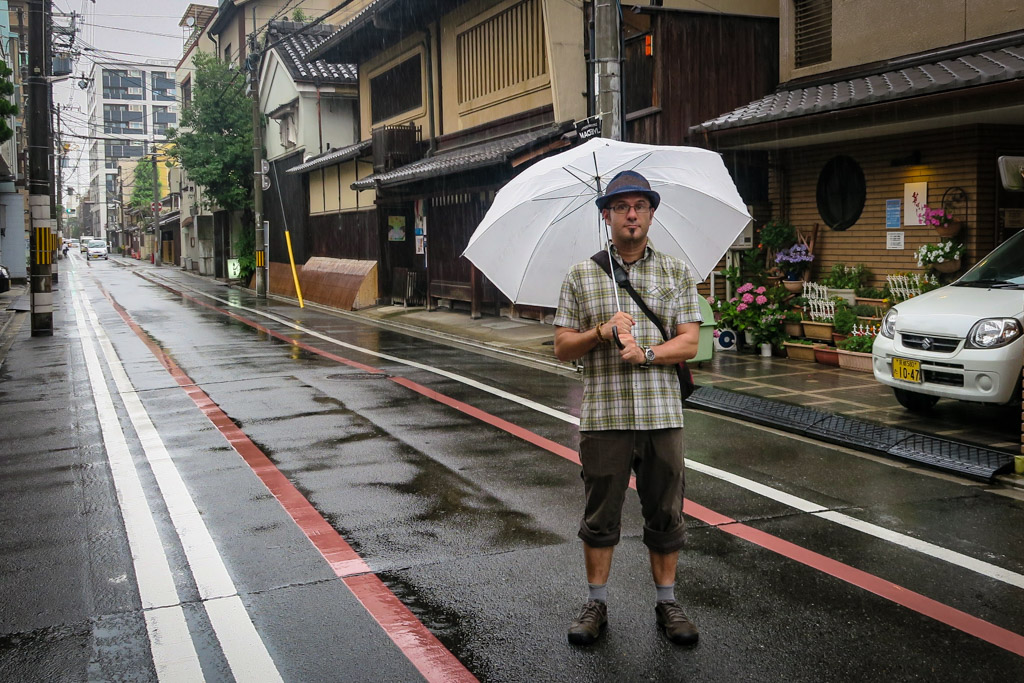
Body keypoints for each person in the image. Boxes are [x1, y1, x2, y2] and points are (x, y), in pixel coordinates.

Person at [553, 169, 702, 647]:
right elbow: (562, 346)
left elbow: (691, 342)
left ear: (651, 214)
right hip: (606, 417)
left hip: (662, 415)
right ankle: (596, 602)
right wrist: (600, 332)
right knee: (600, 514)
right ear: (607, 216)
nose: (631, 214)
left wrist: (648, 353)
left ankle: (667, 602)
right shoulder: (581, 275)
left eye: (639, 206)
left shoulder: (676, 272)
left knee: (666, 511)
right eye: (621, 207)